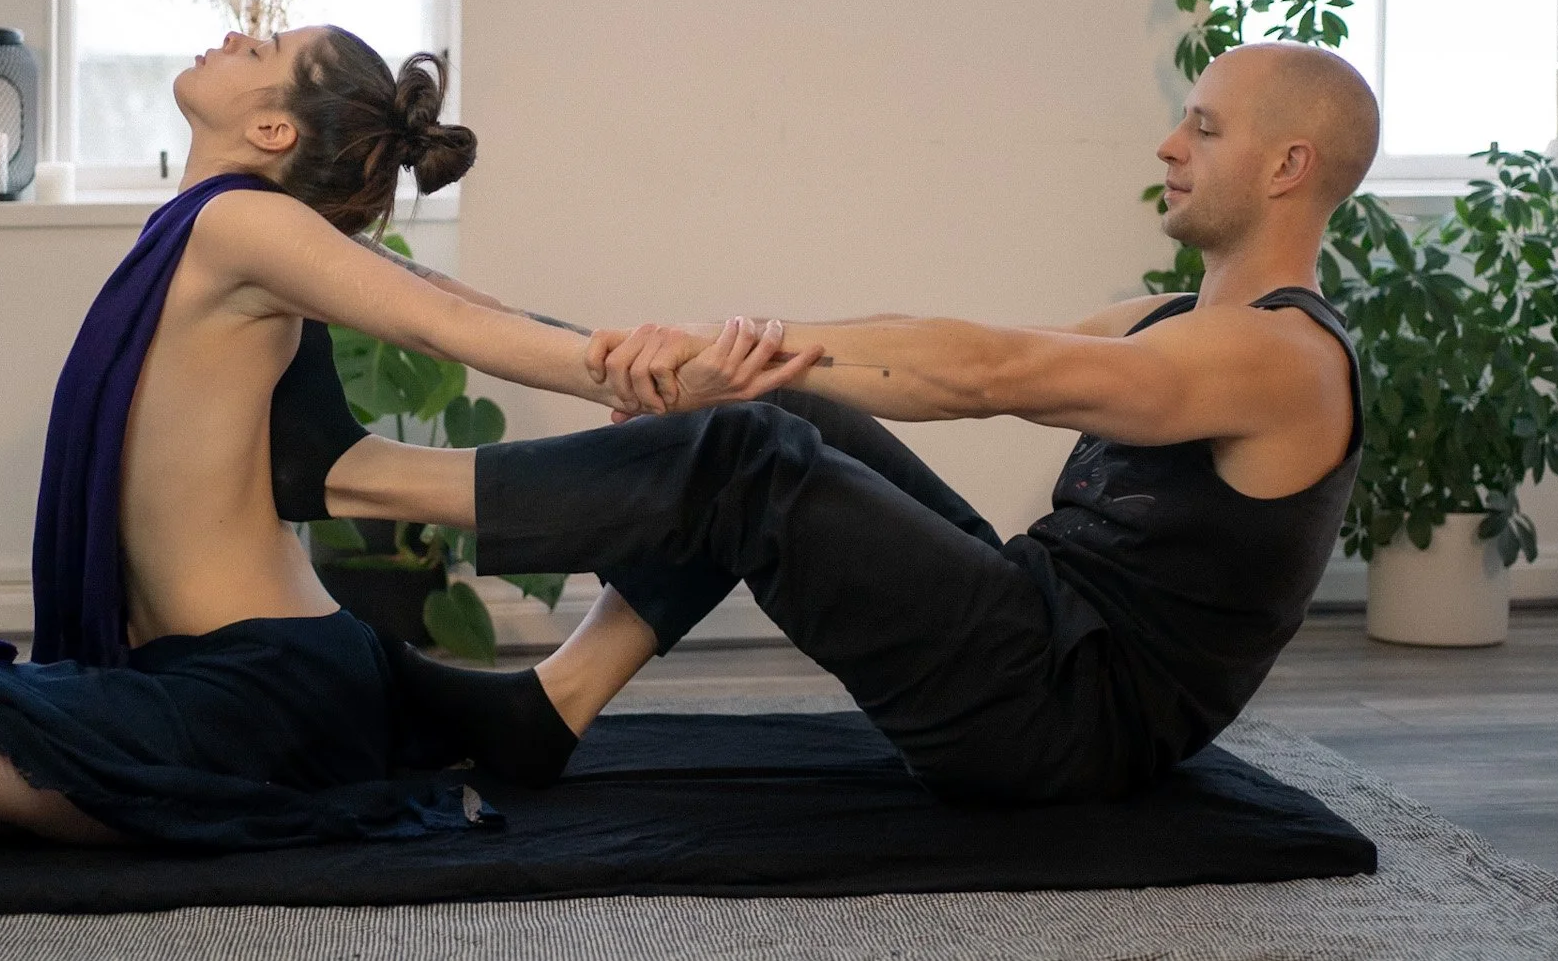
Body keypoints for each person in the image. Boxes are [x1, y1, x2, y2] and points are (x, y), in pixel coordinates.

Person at [0, 26, 810, 850]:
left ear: (273, 132)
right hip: (234, 670)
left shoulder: (243, 224)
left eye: (260, 51)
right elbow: (449, 301)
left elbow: (443, 321)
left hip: (264, 679)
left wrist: (641, 379)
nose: (232, 35)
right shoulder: (208, 226)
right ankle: (274, 764)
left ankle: (215, 806)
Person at [314, 41, 1377, 802]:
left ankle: (355, 477)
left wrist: (720, 350)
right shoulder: (1177, 320)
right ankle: (550, 706)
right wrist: (670, 359)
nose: (1165, 145)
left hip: (1065, 724)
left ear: (1286, 167)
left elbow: (986, 371)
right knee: (771, 406)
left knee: (749, 453)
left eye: (1201, 127)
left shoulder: (1276, 359)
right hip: (1038, 629)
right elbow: (923, 340)